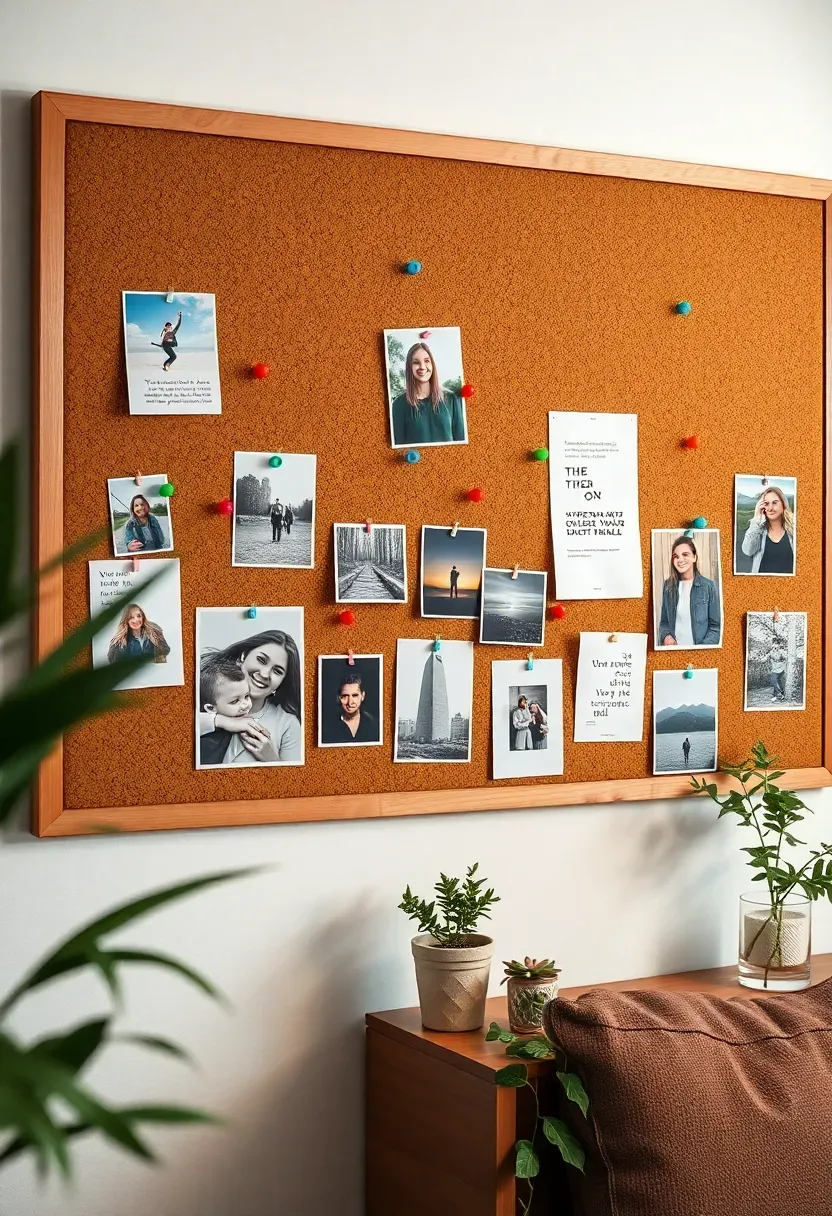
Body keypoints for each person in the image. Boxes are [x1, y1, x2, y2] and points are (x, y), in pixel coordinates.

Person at [198, 629, 302, 765]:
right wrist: (222, 721)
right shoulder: (208, 690)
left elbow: (294, 781)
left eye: (277, 671)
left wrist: (271, 758)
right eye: (261, 660)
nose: (265, 674)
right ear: (243, 656)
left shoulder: (288, 724)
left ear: (283, 681)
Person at [390, 342, 467, 447]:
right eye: (416, 362)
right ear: (409, 368)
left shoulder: (451, 399)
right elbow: (398, 447)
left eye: (427, 361)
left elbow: (461, 441)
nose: (422, 367)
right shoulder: (398, 405)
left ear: (432, 365)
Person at [659, 535, 721, 647]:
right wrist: (666, 636)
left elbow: (716, 627)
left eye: (685, 555)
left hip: (699, 654)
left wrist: (699, 650)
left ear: (694, 557)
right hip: (674, 654)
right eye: (676, 556)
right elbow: (664, 622)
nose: (680, 560)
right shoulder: (668, 586)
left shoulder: (709, 586)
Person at [199, 660, 252, 765]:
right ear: (210, 708)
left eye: (246, 696)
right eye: (235, 701)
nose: (246, 705)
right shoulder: (206, 744)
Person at [741, 486, 795, 575]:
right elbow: (748, 551)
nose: (770, 508)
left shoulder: (794, 530)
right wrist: (757, 518)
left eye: (775, 503)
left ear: (783, 504)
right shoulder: (758, 530)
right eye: (766, 503)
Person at [326, 671, 379, 743]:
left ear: (362, 696)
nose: (350, 702)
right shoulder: (327, 727)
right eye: (345, 696)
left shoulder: (375, 724)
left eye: (355, 695)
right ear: (339, 698)